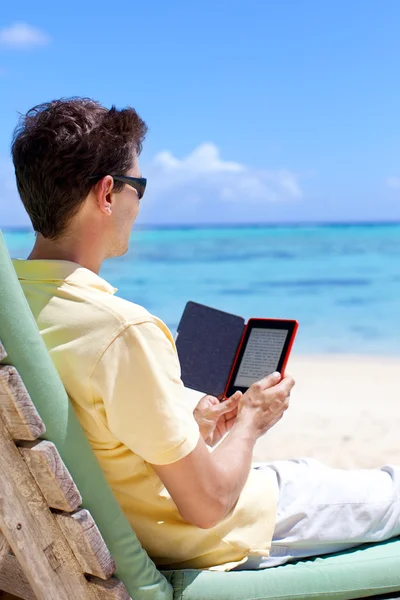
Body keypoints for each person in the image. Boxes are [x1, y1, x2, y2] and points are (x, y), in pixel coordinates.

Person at [10, 98, 400, 571]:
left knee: (309, 474)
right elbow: (209, 504)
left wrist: (187, 424)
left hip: (119, 529)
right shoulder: (120, 331)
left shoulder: (16, 310)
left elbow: (96, 440)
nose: (139, 203)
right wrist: (253, 420)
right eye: (140, 186)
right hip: (220, 534)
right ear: (108, 194)